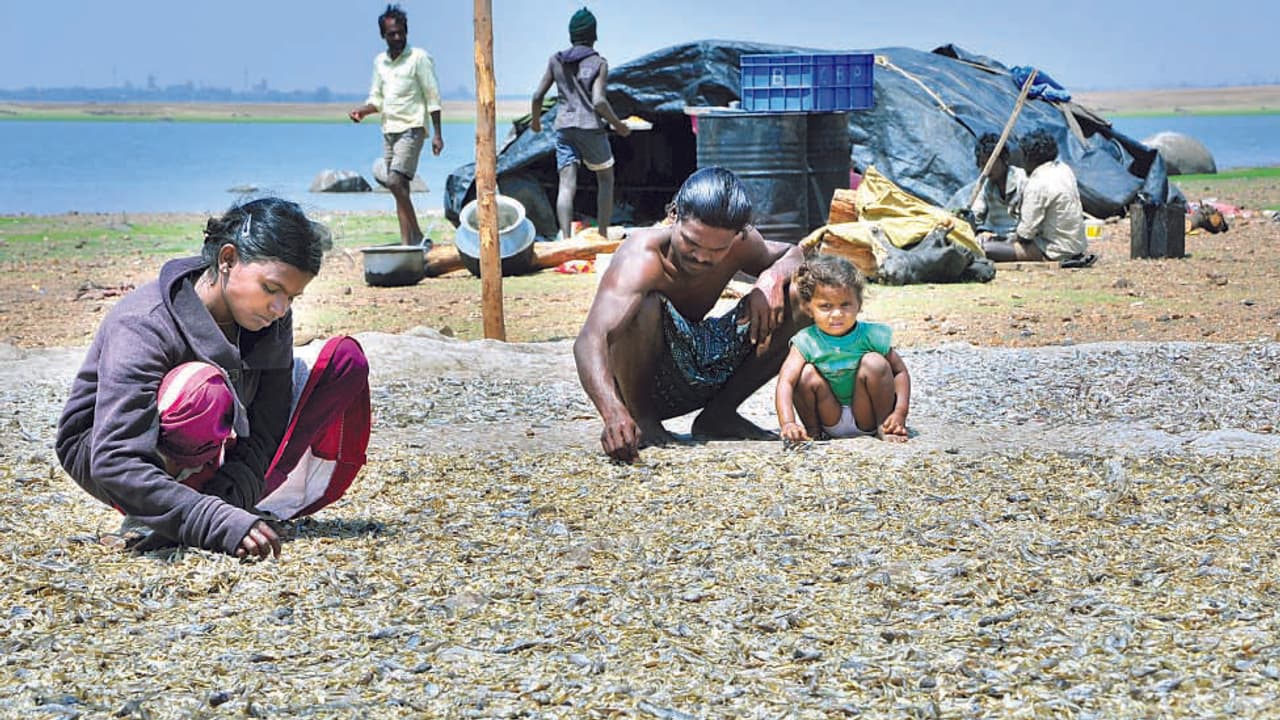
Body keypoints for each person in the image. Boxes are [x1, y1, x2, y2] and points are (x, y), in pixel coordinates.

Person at [56, 198, 371, 559]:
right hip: (117, 461)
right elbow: (115, 459)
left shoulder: (271, 316)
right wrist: (215, 522)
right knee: (203, 391)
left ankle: (198, 508)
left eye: (291, 297)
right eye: (271, 289)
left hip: (218, 450)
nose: (280, 308)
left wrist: (226, 506)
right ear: (228, 259)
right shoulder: (144, 324)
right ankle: (162, 511)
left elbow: (267, 426)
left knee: (344, 362)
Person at [575, 166, 807, 462]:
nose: (701, 257)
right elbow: (590, 339)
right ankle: (643, 419)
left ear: (737, 236)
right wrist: (612, 412)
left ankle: (719, 415)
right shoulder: (641, 256)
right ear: (674, 215)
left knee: (801, 295)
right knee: (644, 307)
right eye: (691, 243)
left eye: (717, 250)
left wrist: (770, 279)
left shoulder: (742, 243)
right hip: (647, 385)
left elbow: (793, 253)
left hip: (704, 363)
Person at [775, 254, 911, 445]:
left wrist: (899, 413)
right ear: (808, 308)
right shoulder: (806, 341)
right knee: (804, 373)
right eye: (826, 306)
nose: (837, 314)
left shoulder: (871, 335)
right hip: (829, 417)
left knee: (875, 362)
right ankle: (813, 432)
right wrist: (788, 423)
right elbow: (785, 382)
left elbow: (900, 372)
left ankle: (885, 426)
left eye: (845, 305)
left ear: (859, 304)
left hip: (867, 416)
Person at [529, 7, 632, 240]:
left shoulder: (556, 60)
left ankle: (566, 240)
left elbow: (537, 97)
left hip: (564, 127)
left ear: (571, 35)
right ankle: (603, 235)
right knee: (605, 178)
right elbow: (599, 102)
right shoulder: (599, 63)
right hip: (590, 128)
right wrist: (618, 125)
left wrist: (535, 123)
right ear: (594, 35)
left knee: (566, 184)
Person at [349, 4, 444, 247]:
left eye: (401, 32)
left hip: (412, 128)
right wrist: (363, 111)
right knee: (400, 188)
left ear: (406, 31)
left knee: (393, 181)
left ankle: (418, 236)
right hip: (389, 130)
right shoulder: (380, 62)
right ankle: (407, 245)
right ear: (383, 35)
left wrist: (437, 134)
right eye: (392, 34)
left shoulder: (418, 58)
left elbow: (432, 95)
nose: (398, 37)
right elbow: (377, 98)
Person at [982, 129, 1095, 268]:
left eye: (1023, 156)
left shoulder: (1036, 183)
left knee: (986, 249)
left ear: (1030, 158)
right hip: (1076, 245)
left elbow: (1025, 235)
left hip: (1054, 250)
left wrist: (1004, 240)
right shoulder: (1064, 169)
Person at [970, 132, 1026, 242]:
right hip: (994, 237)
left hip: (1018, 238)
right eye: (983, 164)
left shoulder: (1021, 180)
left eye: (992, 163)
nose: (987, 169)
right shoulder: (985, 184)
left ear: (1004, 159)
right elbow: (977, 213)